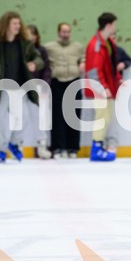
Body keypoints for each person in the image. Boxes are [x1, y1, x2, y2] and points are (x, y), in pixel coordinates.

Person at [0, 11, 44, 163]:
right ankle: (0, 150)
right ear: (6, 25)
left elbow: (38, 57)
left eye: (19, 23)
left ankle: (14, 143)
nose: (18, 26)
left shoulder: (24, 42)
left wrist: (35, 64)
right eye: (14, 23)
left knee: (25, 116)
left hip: (18, 87)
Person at [84, 12, 121, 162]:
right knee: (101, 117)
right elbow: (94, 71)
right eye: (114, 24)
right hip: (99, 89)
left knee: (106, 117)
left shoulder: (109, 43)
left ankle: (99, 146)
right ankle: (96, 149)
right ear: (109, 25)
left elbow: (111, 65)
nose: (115, 27)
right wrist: (102, 88)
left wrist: (118, 79)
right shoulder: (96, 45)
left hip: (108, 88)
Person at [45, 22, 84, 159]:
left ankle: (72, 147)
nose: (66, 34)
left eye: (68, 32)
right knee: (57, 117)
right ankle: (58, 147)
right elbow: (44, 61)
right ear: (58, 33)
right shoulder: (49, 47)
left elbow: (83, 58)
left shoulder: (77, 47)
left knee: (73, 116)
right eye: (63, 32)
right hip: (57, 83)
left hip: (74, 82)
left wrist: (83, 63)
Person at [26, 25, 53, 160]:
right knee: (21, 117)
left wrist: (44, 86)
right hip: (23, 88)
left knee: (41, 118)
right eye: (28, 34)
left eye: (33, 34)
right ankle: (18, 145)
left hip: (38, 87)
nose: (31, 37)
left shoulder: (41, 50)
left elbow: (47, 69)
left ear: (37, 36)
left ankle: (42, 146)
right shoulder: (20, 50)